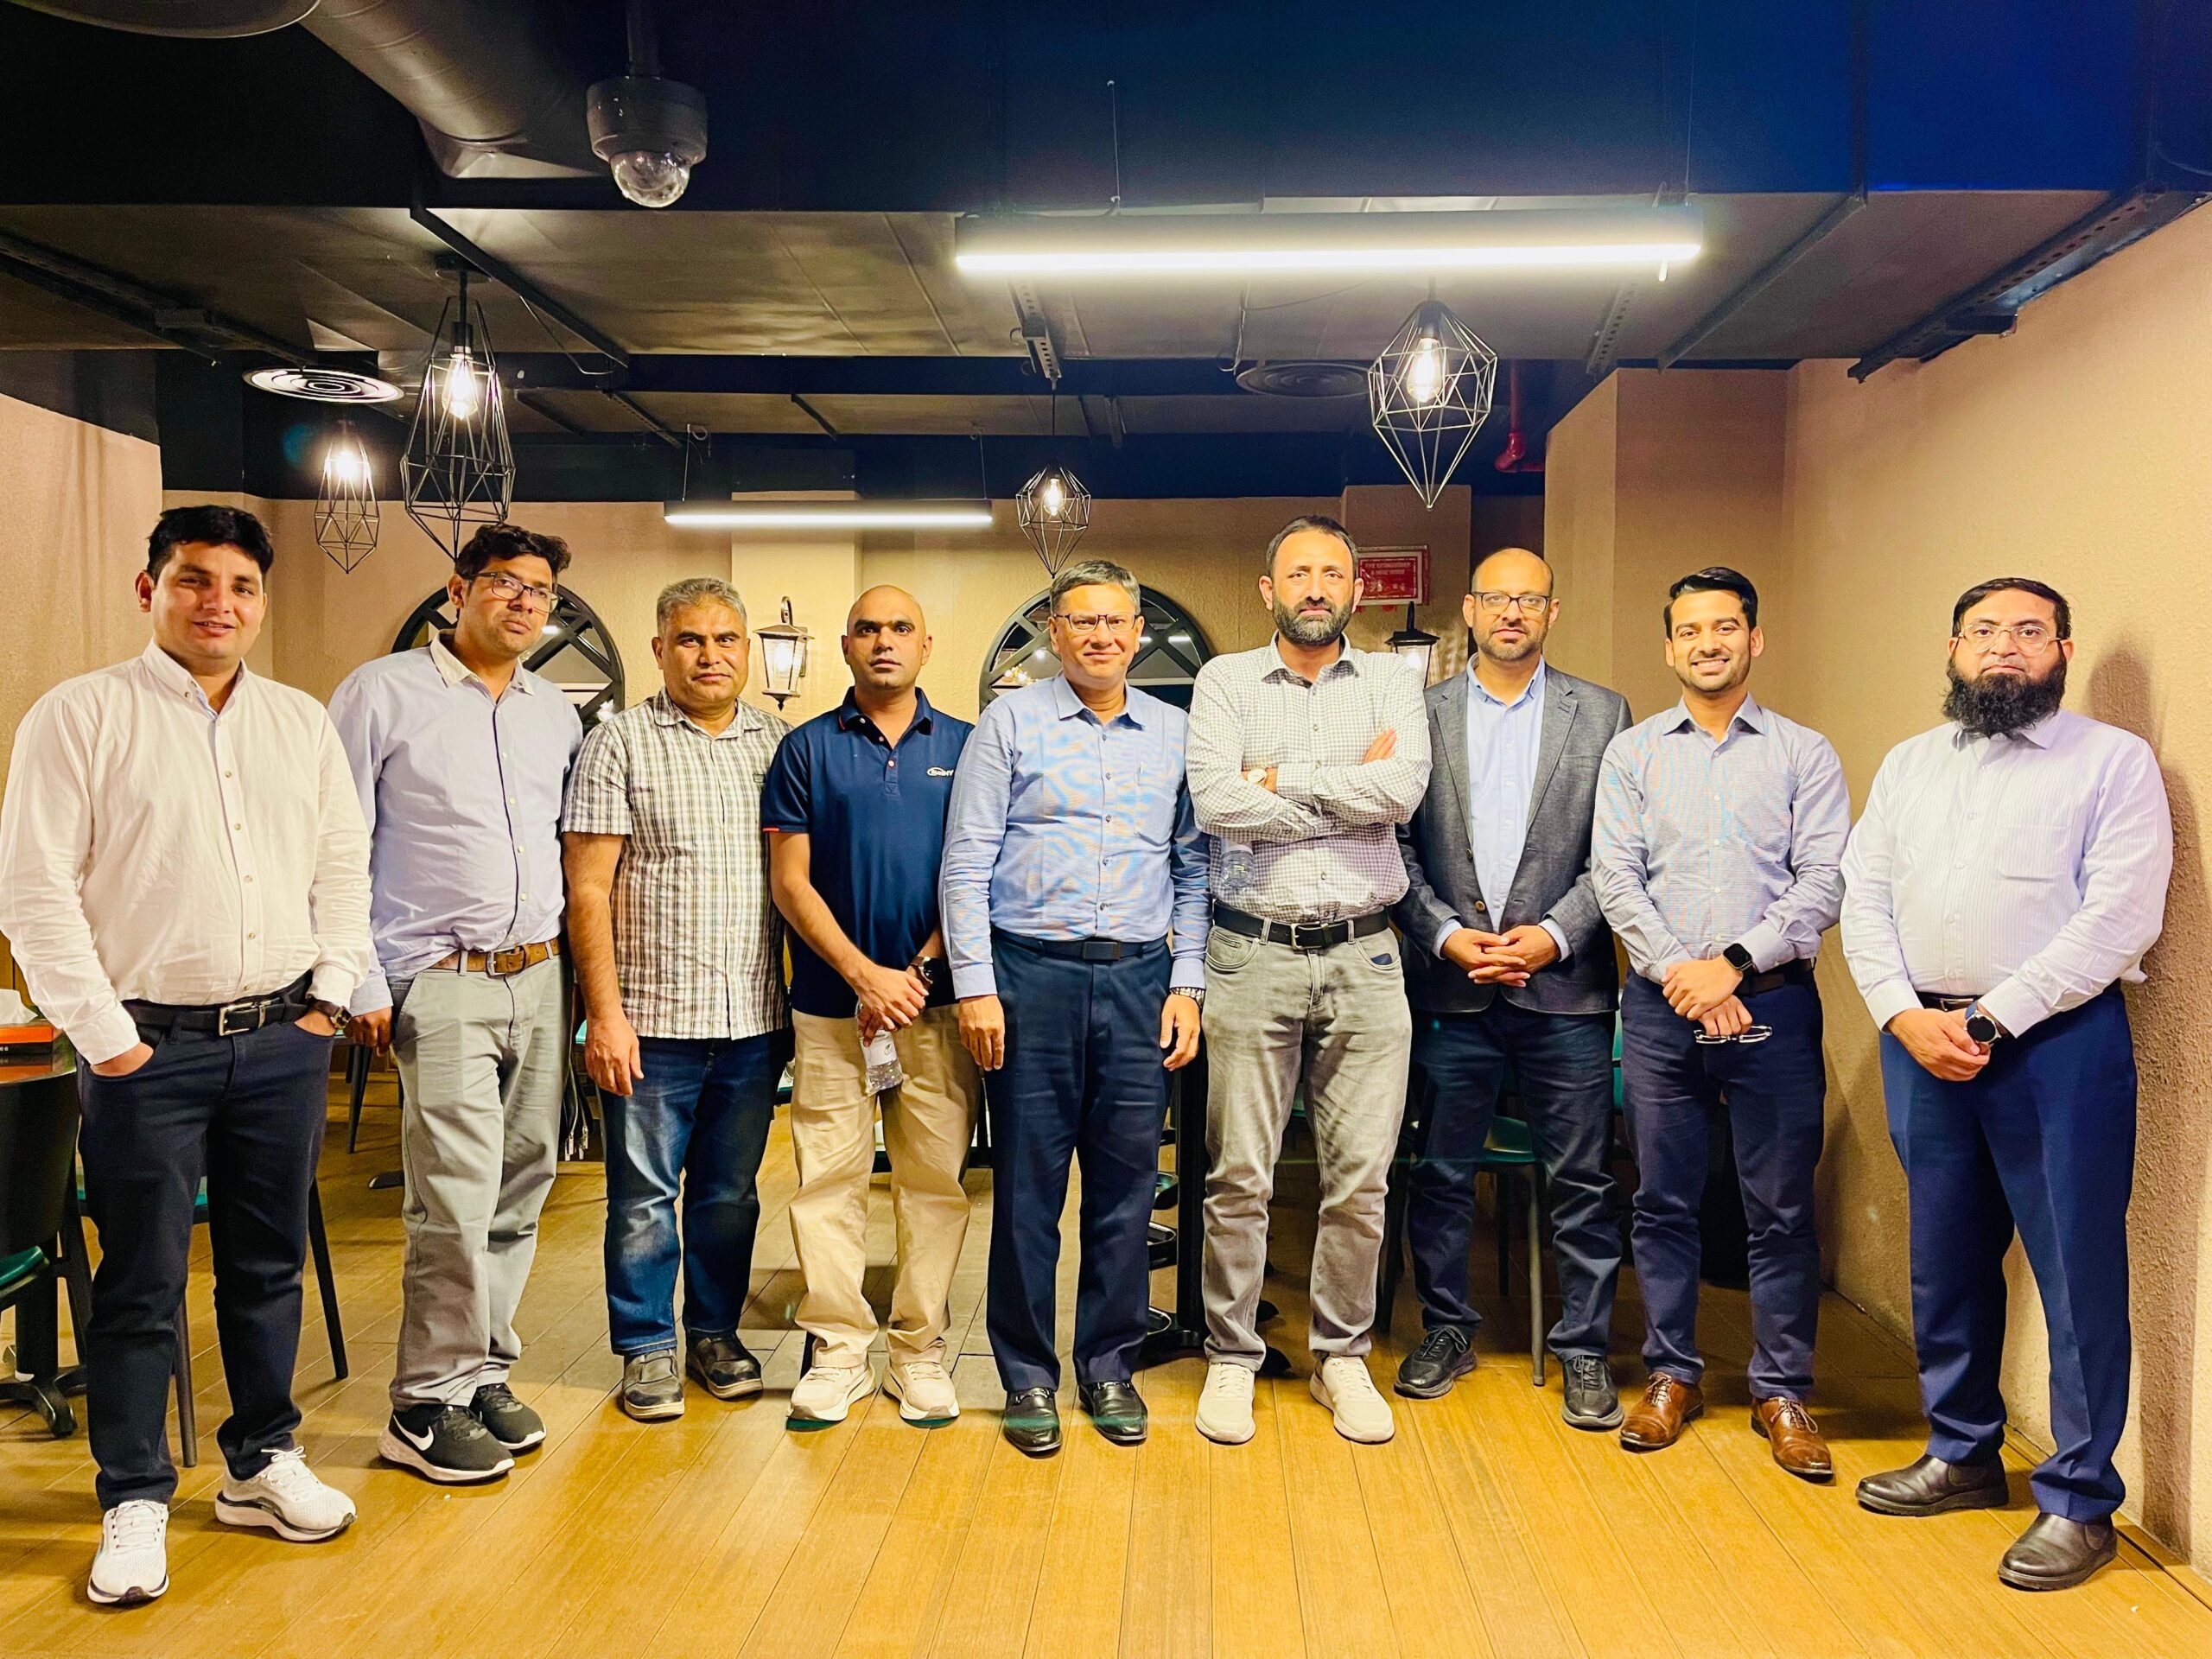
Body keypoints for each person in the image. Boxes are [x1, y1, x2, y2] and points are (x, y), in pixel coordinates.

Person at [0, 505, 372, 1605]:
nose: (219, 603)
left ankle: (260, 1460)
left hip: (282, 1039)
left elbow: (342, 868)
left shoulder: (299, 723)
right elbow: (34, 892)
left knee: (267, 1265)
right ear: (148, 590)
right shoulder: (80, 716)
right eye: (194, 580)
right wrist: (107, 1041)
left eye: (241, 586)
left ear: (261, 602)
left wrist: (329, 1000)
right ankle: (134, 1494)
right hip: (145, 1050)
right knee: (140, 1280)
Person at [1841, 577, 2171, 1592]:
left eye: (2029, 631)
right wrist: (1900, 1013)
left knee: (2075, 1271)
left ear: (2062, 651)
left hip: (2056, 1046)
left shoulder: (2111, 763)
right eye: (1982, 630)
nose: (2004, 647)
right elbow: (1863, 897)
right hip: (1920, 1039)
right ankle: (1962, 1453)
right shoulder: (1908, 764)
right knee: (1942, 1258)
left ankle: (2079, 1501)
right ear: (1951, 650)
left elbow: (2121, 916)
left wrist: (1991, 1019)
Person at [329, 523, 584, 1484]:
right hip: (438, 977)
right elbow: (336, 842)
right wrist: (359, 980)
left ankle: (484, 1372)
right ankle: (424, 1402)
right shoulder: (380, 693)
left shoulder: (554, 714)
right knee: (452, 1196)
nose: (523, 601)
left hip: (540, 975)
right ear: (457, 589)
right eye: (505, 582)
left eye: (539, 591)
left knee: (523, 1185)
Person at [940, 558, 1206, 1457]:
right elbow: (967, 860)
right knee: (1027, 1190)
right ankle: (1025, 1374)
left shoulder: (1174, 733)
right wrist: (976, 985)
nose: (1100, 636)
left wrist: (1188, 983)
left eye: (1115, 621)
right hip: (1030, 980)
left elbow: (1193, 868)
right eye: (1082, 621)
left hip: (1139, 982)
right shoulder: (1010, 724)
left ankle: (1109, 1364)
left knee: (1127, 1190)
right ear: (1055, 633)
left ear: (1138, 632)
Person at [1592, 567, 1848, 1475]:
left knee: (1779, 1209)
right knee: (1661, 1200)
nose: (1709, 643)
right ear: (1670, 648)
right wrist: (1684, 976)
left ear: (1754, 639)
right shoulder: (1632, 755)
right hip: (1662, 1011)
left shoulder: (1803, 754)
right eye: (1691, 630)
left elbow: (1825, 881)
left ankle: (1781, 1390)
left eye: (1726, 627)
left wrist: (1731, 965)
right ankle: (1672, 1375)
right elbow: (1615, 878)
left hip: (1771, 1005)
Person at [1183, 516, 1430, 1448]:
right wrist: (1341, 790)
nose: (1316, 587)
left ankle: (1341, 1357)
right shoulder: (1224, 681)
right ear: (1269, 590)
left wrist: (1276, 779)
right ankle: (1232, 1355)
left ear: (1357, 591)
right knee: (1239, 1176)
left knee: (1360, 1180)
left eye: (1333, 573)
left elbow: (1401, 793)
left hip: (1368, 956)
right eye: (1299, 574)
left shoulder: (1396, 684)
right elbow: (1217, 802)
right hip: (1251, 953)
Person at [1391, 546, 1632, 1427]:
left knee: (1584, 1180)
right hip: (1450, 988)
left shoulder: (1602, 713)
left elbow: (1619, 850)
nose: (1512, 613)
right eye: (1496, 598)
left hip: (1564, 989)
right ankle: (1447, 1328)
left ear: (1551, 613)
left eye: (1529, 599)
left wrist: (1554, 934)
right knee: (1442, 1173)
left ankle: (1584, 1347)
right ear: (1468, 609)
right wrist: (1446, 935)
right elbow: (1395, 844)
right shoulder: (1420, 714)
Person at [563, 578, 790, 1421]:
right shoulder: (617, 744)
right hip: (651, 1023)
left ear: (746, 651)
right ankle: (646, 1346)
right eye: (691, 640)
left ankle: (715, 1333)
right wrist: (604, 1016)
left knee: (730, 1195)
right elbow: (587, 891)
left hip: (754, 1022)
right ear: (660, 650)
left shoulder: (779, 744)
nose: (709, 656)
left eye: (726, 640)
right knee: (643, 1198)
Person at [762, 586, 979, 1430]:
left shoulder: (967, 746)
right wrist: (863, 977)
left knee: (933, 1186)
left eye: (899, 628)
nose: (883, 640)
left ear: (925, 645)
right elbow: (790, 883)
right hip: (830, 1010)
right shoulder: (806, 749)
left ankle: (918, 1353)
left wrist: (912, 974)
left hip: (937, 1009)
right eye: (867, 628)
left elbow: (978, 873)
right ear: (846, 645)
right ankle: (838, 1351)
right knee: (828, 1183)